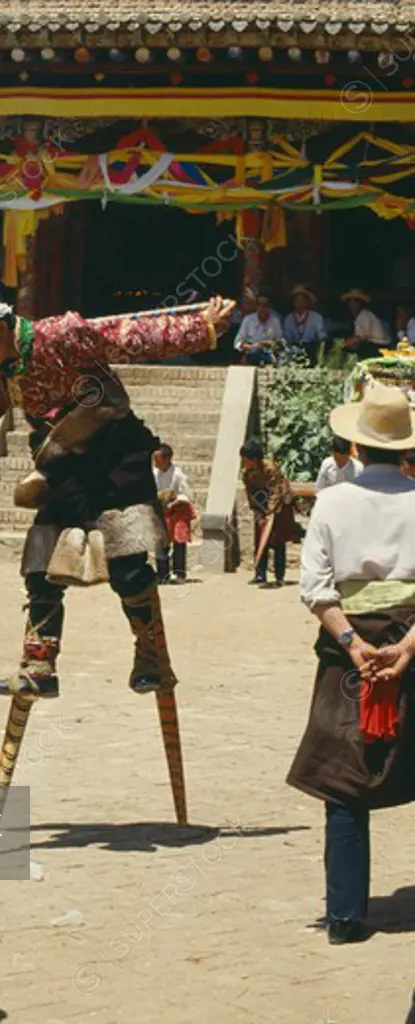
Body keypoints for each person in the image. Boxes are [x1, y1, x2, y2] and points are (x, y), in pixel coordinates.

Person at [0, 284, 233, 698]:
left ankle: (151, 656)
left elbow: (133, 338)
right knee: (40, 562)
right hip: (64, 467)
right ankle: (39, 665)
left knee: (128, 566)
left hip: (117, 454)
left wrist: (203, 328)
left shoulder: (62, 333)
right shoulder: (0, 375)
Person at [288, 382, 415, 945]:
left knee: (344, 787)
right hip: (411, 644)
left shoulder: (333, 502)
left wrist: (355, 645)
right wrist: (407, 648)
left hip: (349, 657)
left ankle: (345, 916)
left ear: (358, 448)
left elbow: (315, 588)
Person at [240, 438, 296, 587]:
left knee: (278, 541)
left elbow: (276, 491)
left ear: (255, 459)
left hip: (280, 504)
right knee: (260, 539)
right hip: (261, 503)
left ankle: (279, 576)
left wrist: (270, 512)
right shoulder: (246, 474)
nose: (244, 462)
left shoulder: (270, 468)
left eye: (246, 459)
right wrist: (259, 513)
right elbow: (251, 494)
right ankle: (260, 574)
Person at [152, 444, 195, 584]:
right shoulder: (153, 473)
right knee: (160, 541)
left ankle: (180, 573)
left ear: (167, 459)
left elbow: (188, 495)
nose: (155, 462)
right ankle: (162, 573)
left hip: (178, 510)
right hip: (161, 509)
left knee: (179, 540)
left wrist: (173, 501)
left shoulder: (178, 474)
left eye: (158, 459)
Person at [282, 285, 327, 366]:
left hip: (312, 351)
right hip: (293, 352)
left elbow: (322, 338)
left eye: (302, 301)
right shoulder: (288, 319)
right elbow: (286, 339)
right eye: (297, 301)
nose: (299, 304)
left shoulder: (317, 317)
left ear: (308, 302)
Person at [234, 293, 283, 366]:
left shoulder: (275, 320)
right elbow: (237, 343)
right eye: (258, 304)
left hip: (269, 351)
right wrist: (251, 346)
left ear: (269, 306)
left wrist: (267, 343)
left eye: (265, 305)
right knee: (254, 352)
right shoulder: (248, 320)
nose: (261, 308)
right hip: (252, 351)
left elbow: (280, 341)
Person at [341, 289, 389, 361]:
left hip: (377, 348)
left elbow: (359, 337)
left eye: (355, 303)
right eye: (350, 303)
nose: (352, 306)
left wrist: (341, 345)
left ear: (360, 304)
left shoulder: (364, 315)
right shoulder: (361, 316)